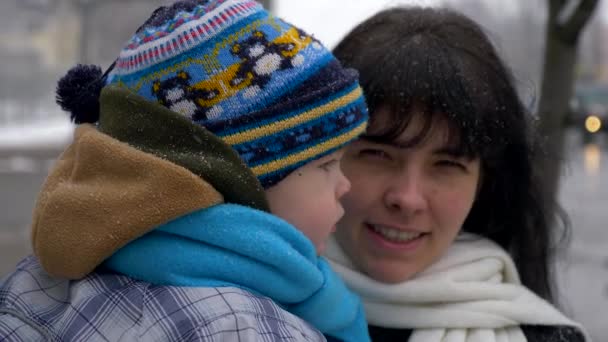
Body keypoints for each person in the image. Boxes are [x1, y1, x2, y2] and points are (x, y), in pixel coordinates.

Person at [0, 1, 371, 341]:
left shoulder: (43, 281)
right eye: (325, 164)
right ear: (239, 180)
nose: (346, 185)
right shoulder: (244, 328)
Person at [324, 6, 589, 342]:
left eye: (446, 165)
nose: (407, 198)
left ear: (485, 182)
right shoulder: (248, 316)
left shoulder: (544, 337)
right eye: (378, 155)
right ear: (324, 158)